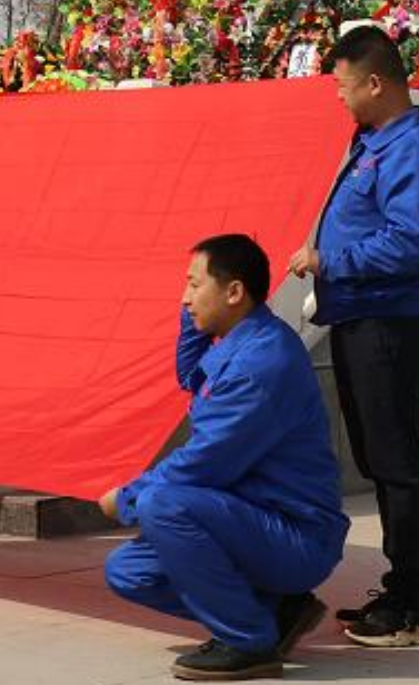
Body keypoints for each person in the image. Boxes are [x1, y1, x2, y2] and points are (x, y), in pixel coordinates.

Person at [100, 234, 348, 682]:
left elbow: (204, 462)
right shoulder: (240, 342)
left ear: (234, 292)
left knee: (161, 504)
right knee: (129, 572)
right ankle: (276, 610)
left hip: (294, 536)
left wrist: (128, 497)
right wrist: (193, 311)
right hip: (250, 519)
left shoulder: (260, 364)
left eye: (194, 285)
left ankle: (247, 641)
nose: (185, 298)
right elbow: (190, 376)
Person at [288, 23, 419, 648]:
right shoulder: (375, 145)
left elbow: (410, 244)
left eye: (344, 86)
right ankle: (401, 590)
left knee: (398, 465)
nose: (339, 97)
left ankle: (415, 605)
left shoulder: (412, 153)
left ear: (376, 84)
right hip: (361, 320)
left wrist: (329, 261)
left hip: (388, 326)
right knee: (381, 461)